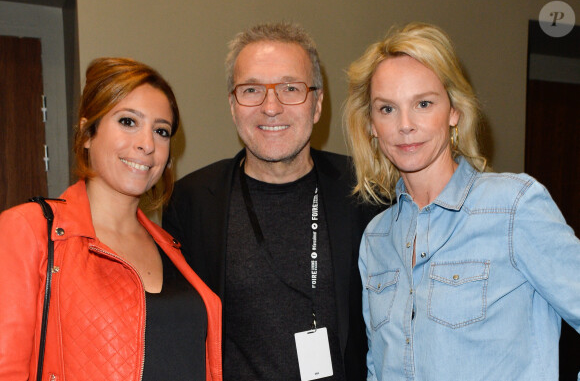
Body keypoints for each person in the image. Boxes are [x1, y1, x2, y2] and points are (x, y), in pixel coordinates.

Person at [344, 21, 580, 381]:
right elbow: (378, 366)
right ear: (372, 125)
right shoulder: (376, 238)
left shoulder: (513, 207)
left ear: (454, 111)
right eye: (387, 109)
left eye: (423, 103)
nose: (404, 125)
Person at [163, 22, 380, 380]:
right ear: (233, 106)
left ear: (317, 103)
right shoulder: (191, 202)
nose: (271, 107)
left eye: (290, 88)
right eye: (251, 90)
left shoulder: (365, 192)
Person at [0, 57, 222, 381]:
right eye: (128, 122)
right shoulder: (27, 230)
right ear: (87, 133)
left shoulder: (171, 247)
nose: (147, 144)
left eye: (161, 131)